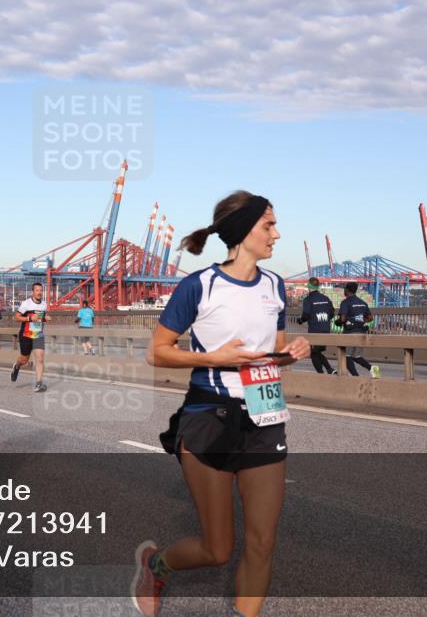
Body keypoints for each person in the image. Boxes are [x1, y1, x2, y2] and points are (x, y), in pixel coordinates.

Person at [134, 190, 309, 617]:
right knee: (217, 549)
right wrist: (212, 358)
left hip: (264, 415)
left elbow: (273, 353)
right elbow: (157, 351)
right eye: (268, 225)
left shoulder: (275, 286)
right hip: (208, 416)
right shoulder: (199, 285)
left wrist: (290, 354)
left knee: (263, 542)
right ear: (243, 230)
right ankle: (156, 564)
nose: (277, 234)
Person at [10, 282, 51, 392]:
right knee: (24, 359)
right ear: (33, 292)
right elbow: (16, 317)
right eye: (37, 290)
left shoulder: (44, 304)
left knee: (40, 359)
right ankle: (17, 366)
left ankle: (38, 383)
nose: (39, 292)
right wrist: (29, 319)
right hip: (26, 335)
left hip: (38, 335)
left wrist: (45, 318)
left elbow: (39, 319)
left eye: (41, 290)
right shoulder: (26, 304)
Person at [336, 282, 379, 378]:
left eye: (344, 289)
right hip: (361, 332)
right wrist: (360, 321)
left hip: (350, 333)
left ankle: (356, 377)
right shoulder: (362, 302)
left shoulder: (345, 302)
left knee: (346, 356)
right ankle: (373, 369)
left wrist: (338, 322)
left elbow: (342, 319)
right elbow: (370, 318)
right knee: (357, 356)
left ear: (346, 290)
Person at [296, 277, 336, 374]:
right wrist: (324, 320)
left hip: (315, 331)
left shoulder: (308, 300)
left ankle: (322, 374)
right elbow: (332, 313)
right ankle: (329, 369)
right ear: (317, 286)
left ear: (309, 286)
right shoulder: (326, 298)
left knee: (313, 353)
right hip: (326, 329)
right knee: (317, 352)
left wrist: (300, 320)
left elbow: (306, 315)